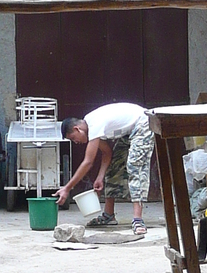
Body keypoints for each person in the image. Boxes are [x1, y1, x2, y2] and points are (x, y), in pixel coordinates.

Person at [57, 102, 154, 238]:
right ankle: (109, 215)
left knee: (134, 166)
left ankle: (138, 219)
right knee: (114, 166)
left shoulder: (94, 124)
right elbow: (107, 153)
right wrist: (100, 177)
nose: (76, 142)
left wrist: (67, 188)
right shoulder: (91, 127)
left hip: (143, 123)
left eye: (73, 138)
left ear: (77, 129)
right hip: (128, 132)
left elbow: (88, 162)